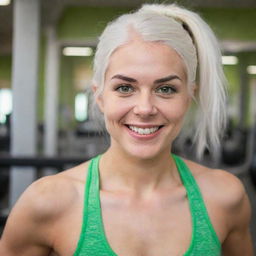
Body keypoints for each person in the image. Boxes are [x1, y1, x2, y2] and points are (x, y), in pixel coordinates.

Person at [0, 3, 254, 256]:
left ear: (189, 97)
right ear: (99, 97)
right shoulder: (47, 201)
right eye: (124, 88)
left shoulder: (225, 197)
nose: (145, 108)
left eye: (166, 89)